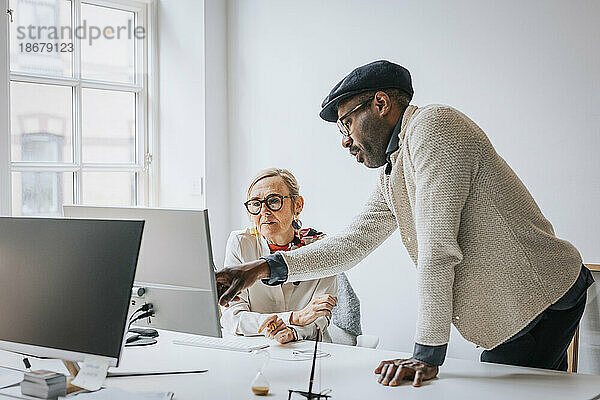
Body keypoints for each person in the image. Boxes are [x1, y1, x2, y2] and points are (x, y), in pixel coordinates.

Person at [216, 60, 593, 387]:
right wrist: (263, 267)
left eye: (347, 123)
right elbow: (351, 244)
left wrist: (427, 353)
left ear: (380, 104)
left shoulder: (434, 128)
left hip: (539, 298)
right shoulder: (394, 169)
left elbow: (437, 247)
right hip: (521, 305)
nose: (345, 141)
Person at [221, 167, 341, 343]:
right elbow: (233, 316)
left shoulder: (322, 248)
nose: (264, 211)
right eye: (255, 203)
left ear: (297, 205)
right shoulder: (240, 243)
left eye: (274, 201)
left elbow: (321, 315)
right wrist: (294, 318)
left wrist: (293, 332)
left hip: (309, 349)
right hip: (256, 346)